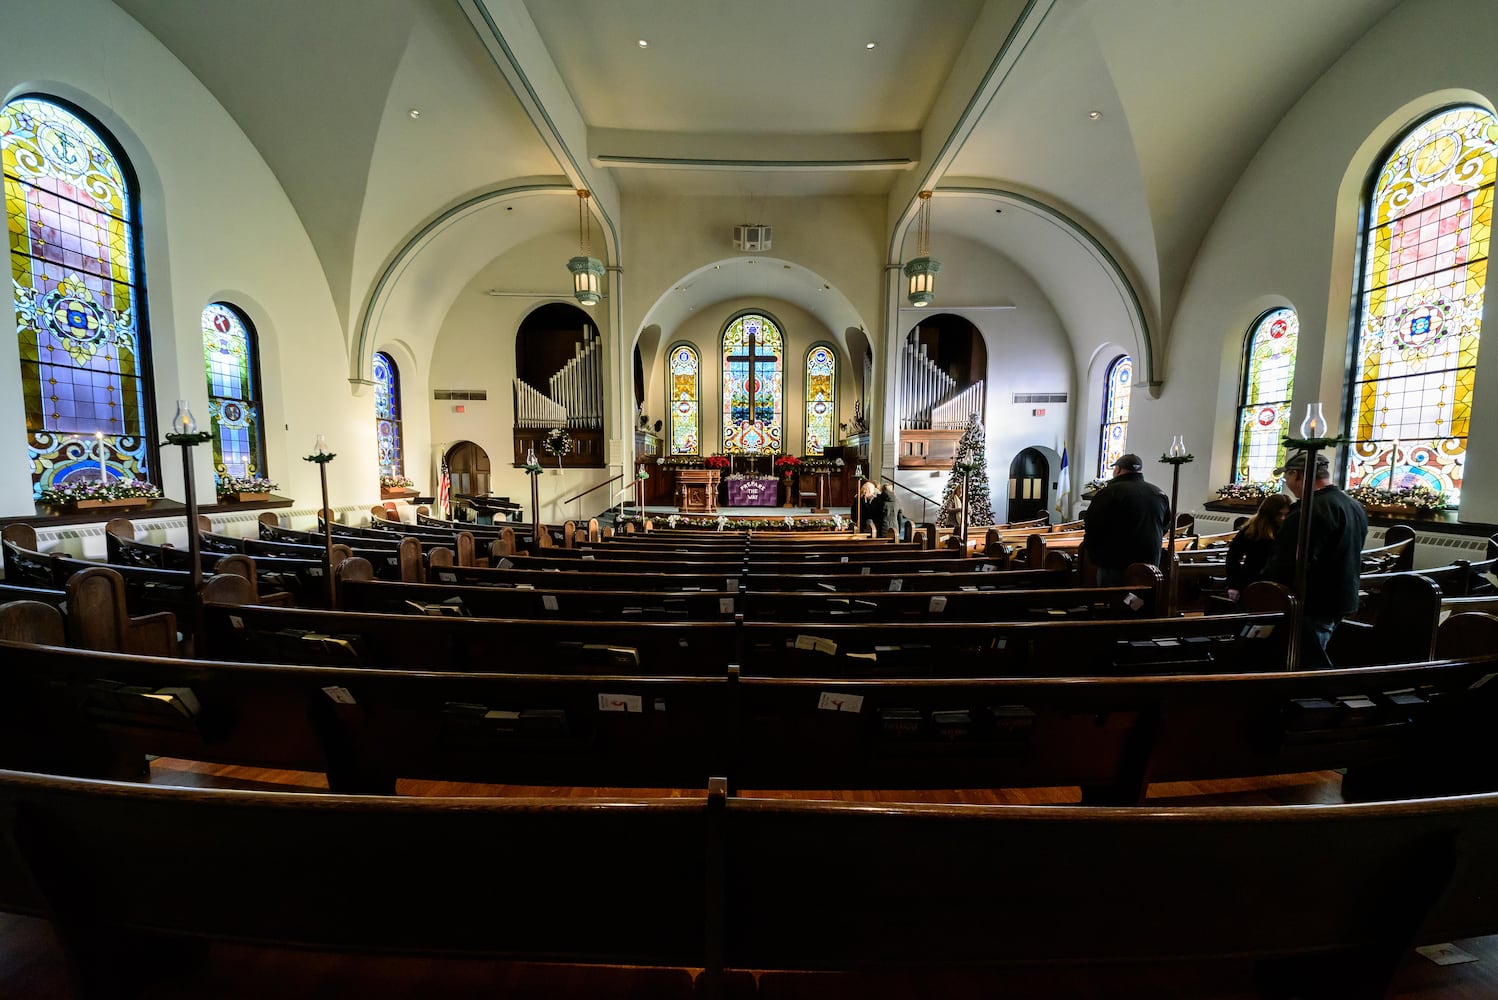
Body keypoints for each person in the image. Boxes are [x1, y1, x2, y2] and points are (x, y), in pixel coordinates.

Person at [1261, 449, 1368, 669]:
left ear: (1296, 475)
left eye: (1287, 476)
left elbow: (1289, 562)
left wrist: (1264, 588)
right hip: (1340, 597)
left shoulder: (1310, 509)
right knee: (1314, 651)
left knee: (1305, 662)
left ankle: (1313, 696)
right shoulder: (1352, 504)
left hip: (1312, 601)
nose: (1287, 482)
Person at [1081, 453, 1170, 586]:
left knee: (1112, 602)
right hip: (1150, 564)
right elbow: (1165, 526)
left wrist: (1094, 553)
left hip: (1115, 564)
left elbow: (1093, 526)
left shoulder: (1109, 492)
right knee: (1142, 602)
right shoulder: (1158, 493)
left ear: (1117, 469)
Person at [1224, 493, 1293, 601]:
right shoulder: (1252, 530)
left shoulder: (1289, 529)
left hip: (1280, 583)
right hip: (1253, 581)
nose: (1282, 518)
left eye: (1286, 514)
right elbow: (1233, 557)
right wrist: (1234, 585)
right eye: (1278, 514)